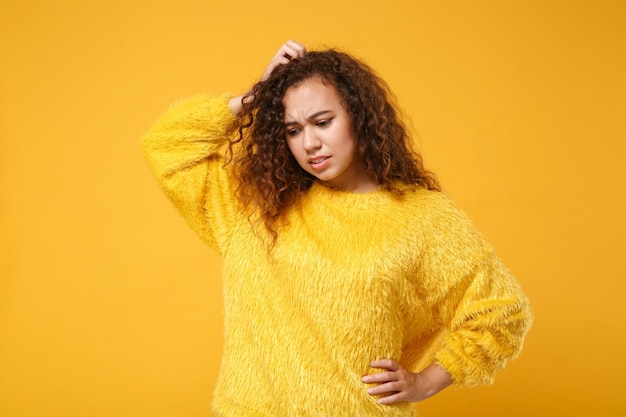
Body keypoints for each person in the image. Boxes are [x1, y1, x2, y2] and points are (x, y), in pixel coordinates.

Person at [142, 40, 533, 417]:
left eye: (323, 122)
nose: (310, 142)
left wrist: (425, 382)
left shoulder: (423, 217)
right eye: (293, 130)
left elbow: (501, 313)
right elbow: (166, 147)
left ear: (359, 117)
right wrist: (253, 98)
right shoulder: (255, 206)